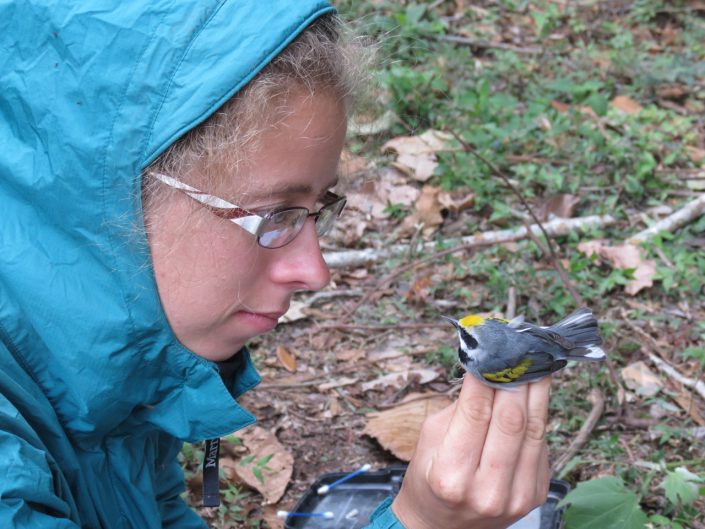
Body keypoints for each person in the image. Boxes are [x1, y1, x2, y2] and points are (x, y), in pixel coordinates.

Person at [0, 1, 551, 527]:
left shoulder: (117, 364)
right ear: (104, 205)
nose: (314, 271)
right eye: (273, 215)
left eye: (316, 210)